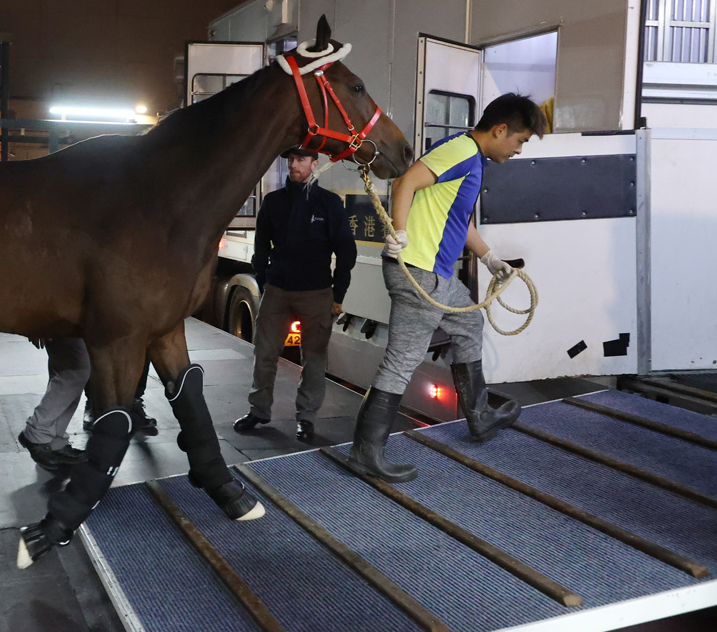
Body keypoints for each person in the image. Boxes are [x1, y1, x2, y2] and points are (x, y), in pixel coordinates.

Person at [346, 93, 547, 483]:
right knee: (402, 360)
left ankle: (480, 416)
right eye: (520, 140)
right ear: (501, 129)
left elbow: (456, 218)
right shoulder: (461, 150)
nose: (520, 149)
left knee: (470, 325)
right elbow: (405, 182)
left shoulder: (469, 155)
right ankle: (365, 452)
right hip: (420, 273)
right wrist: (399, 233)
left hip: (438, 275)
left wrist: (490, 258)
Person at [234, 148, 357, 444]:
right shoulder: (274, 202)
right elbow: (261, 248)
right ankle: (259, 410)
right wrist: (265, 283)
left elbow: (346, 251)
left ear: (315, 165)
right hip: (277, 291)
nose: (293, 164)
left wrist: (338, 293)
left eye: (301, 160)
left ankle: (306, 418)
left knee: (313, 359)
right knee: (264, 354)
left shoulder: (328, 203)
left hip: (316, 293)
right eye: (290, 160)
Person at [19, 340, 157, 472]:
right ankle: (36, 431)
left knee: (67, 370)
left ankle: (55, 440)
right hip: (60, 319)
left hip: (76, 321)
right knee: (76, 370)